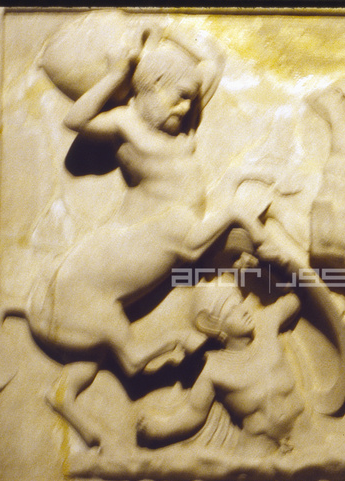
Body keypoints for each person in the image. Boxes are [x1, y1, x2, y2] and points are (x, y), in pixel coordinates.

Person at [26, 25, 268, 451]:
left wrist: (169, 32)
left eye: (190, 99)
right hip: (155, 236)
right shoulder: (127, 124)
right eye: (177, 96)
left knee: (91, 351)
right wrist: (118, 73)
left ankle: (65, 398)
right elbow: (75, 120)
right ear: (150, 87)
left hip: (167, 230)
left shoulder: (182, 125)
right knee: (125, 348)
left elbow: (212, 63)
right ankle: (146, 354)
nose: (185, 106)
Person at [136, 278, 304, 455]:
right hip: (259, 446)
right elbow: (194, 413)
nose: (244, 311)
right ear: (217, 326)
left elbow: (298, 297)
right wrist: (159, 430)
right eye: (232, 310)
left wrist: (272, 269)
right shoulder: (212, 369)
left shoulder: (267, 322)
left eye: (240, 303)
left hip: (303, 429)